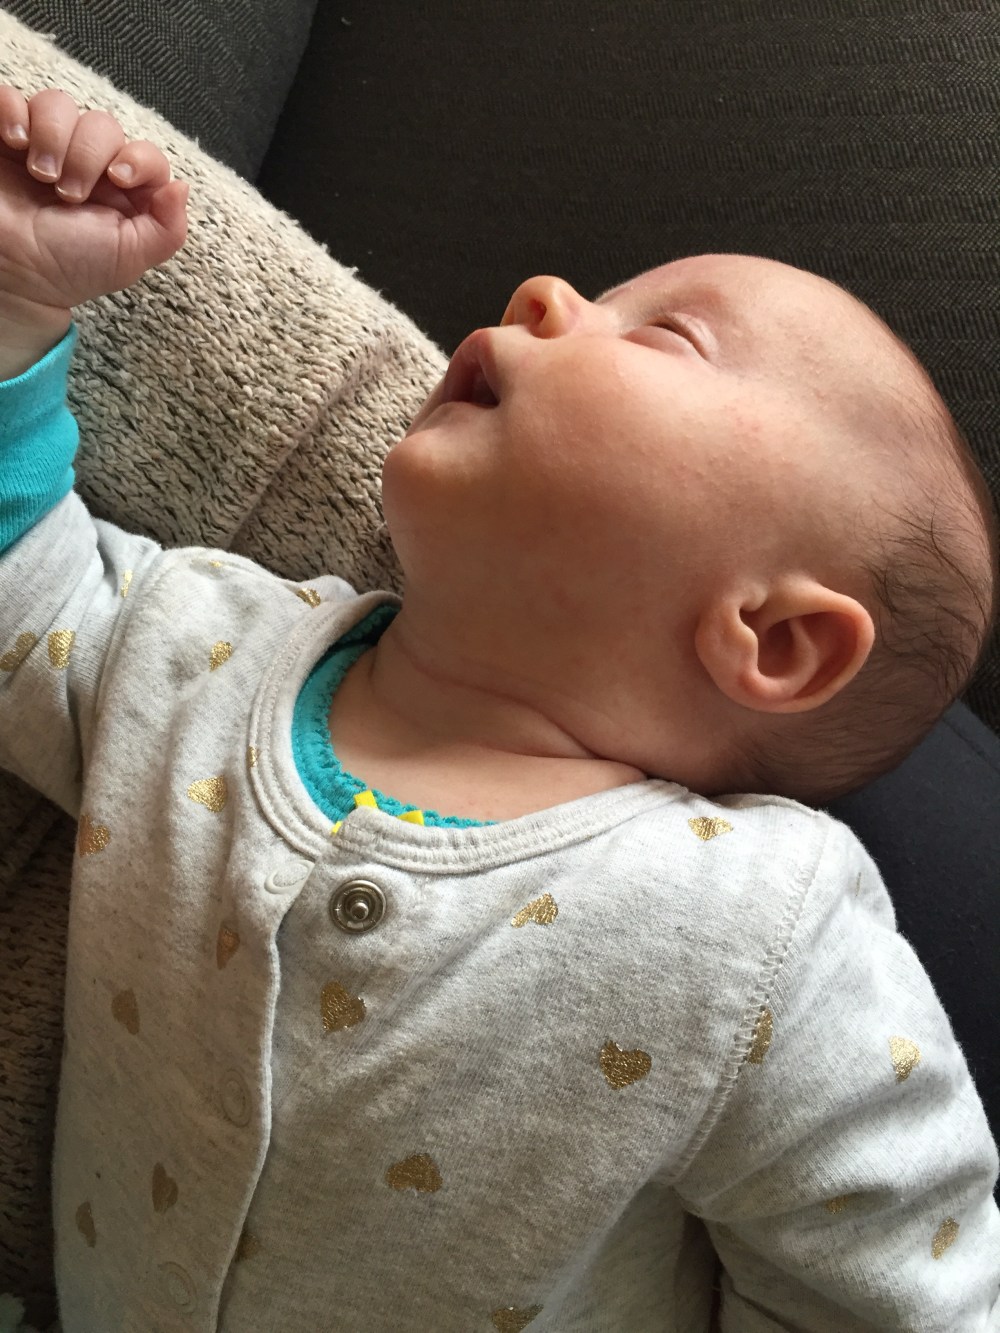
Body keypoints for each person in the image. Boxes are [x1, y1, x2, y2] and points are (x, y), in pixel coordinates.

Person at [0, 84, 998, 1333]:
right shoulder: (198, 648)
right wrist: (21, 301)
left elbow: (903, 1294)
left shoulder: (765, 937)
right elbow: (19, 580)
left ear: (775, 638)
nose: (542, 293)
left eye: (664, 337)